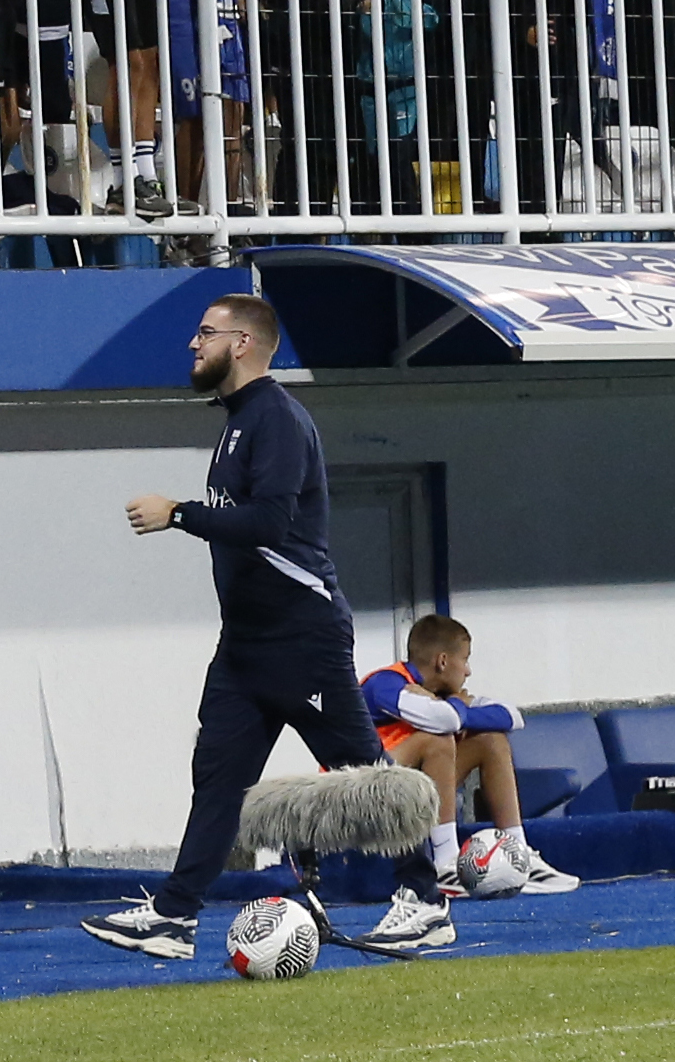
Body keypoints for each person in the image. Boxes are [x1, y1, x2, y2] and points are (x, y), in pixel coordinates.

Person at [86, 291, 425, 961]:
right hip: (244, 644)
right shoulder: (238, 418)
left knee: (363, 772)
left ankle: (426, 899)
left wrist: (178, 512)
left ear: (242, 343)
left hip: (301, 636)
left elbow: (269, 521)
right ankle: (174, 917)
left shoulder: (274, 417)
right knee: (218, 780)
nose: (193, 343)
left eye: (205, 332)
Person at [364, 615, 581, 897]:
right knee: (437, 739)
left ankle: (517, 854)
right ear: (443, 661)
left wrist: (454, 708)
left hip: (407, 792)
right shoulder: (384, 683)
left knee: (491, 740)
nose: (468, 671)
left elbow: (511, 716)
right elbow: (445, 722)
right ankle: (445, 861)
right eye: (465, 660)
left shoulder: (440, 692)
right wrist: (455, 707)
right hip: (367, 796)